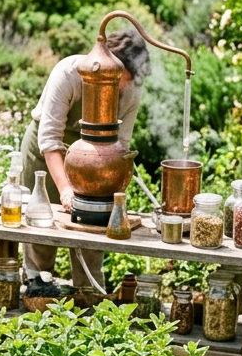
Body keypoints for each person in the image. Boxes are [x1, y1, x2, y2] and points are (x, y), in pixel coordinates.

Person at [21, 29, 150, 291]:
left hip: (98, 160)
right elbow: (50, 139)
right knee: (43, 229)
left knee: (92, 233)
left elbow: (121, 146)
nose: (125, 85)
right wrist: (66, 188)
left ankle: (90, 298)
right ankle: (37, 292)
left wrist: (109, 196)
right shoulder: (68, 72)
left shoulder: (131, 90)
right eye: (124, 77)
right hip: (46, 155)